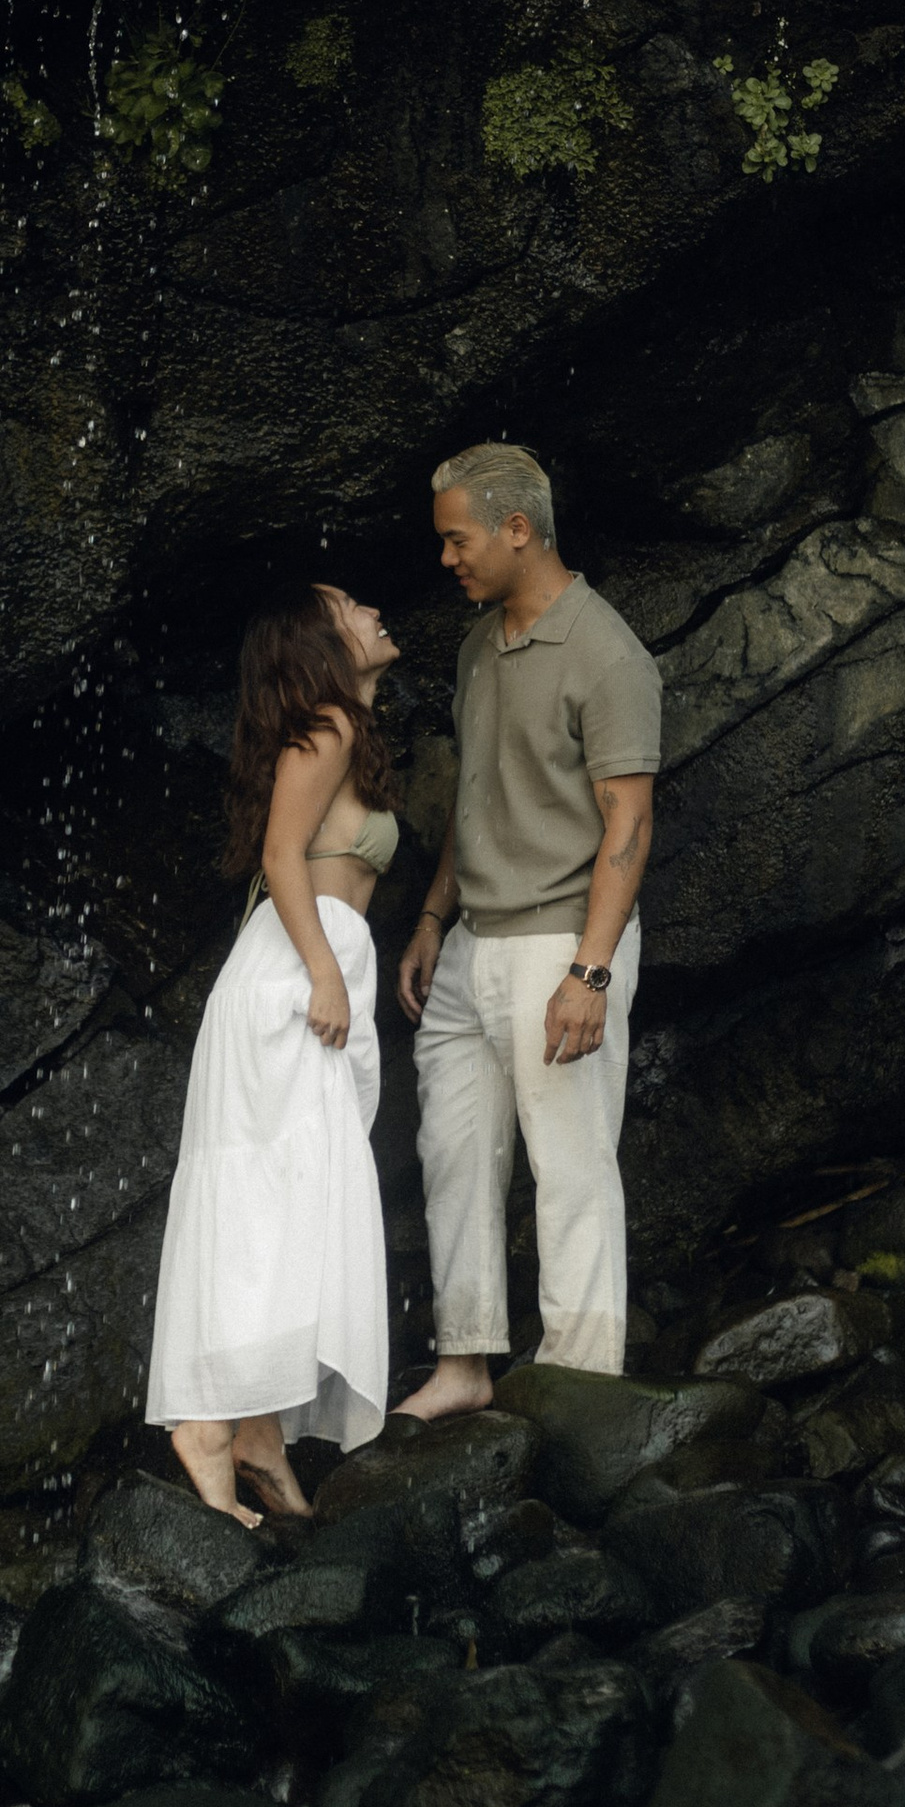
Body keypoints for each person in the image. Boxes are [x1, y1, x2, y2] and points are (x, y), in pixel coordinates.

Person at [395, 441, 659, 1411]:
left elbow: (628, 821)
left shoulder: (606, 652)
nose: (446, 559)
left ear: (517, 529)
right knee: (454, 1159)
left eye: (457, 539)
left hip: (561, 943)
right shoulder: (476, 648)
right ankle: (464, 1366)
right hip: (470, 950)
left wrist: (590, 974)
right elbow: (477, 802)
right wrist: (430, 921)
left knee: (571, 1168)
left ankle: (579, 1389)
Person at [147, 581, 401, 1524]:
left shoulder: (347, 729)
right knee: (269, 1202)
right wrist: (325, 973)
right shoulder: (327, 723)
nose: (373, 608)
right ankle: (207, 1427)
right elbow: (282, 851)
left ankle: (256, 1428)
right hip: (295, 976)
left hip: (309, 968)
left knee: (289, 1206)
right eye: (347, 605)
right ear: (318, 643)